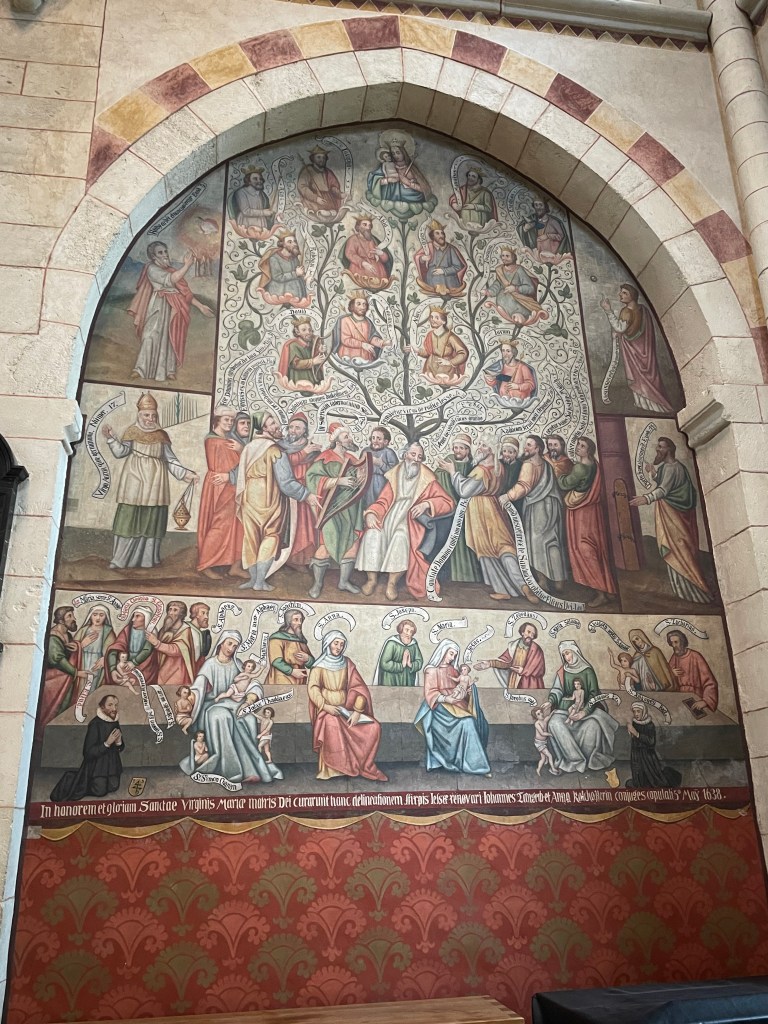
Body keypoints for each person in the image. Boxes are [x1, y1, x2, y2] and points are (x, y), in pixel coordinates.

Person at [102, 391, 198, 570]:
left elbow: (170, 460)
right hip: (134, 479)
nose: (150, 419)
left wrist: (185, 474)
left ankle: (147, 560)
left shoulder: (161, 435)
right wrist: (111, 439)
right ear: (139, 415)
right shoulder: (131, 431)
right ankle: (120, 560)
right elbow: (121, 452)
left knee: (152, 518)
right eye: (146, 415)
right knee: (128, 517)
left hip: (156, 482)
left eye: (153, 415)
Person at [180, 630, 283, 785]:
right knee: (221, 716)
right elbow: (197, 689)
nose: (231, 648)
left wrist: (249, 701)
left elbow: (253, 684)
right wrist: (188, 701)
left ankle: (251, 770)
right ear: (221, 643)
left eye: (235, 646)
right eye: (229, 644)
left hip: (234, 703)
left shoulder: (238, 664)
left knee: (247, 717)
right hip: (212, 705)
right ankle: (232, 769)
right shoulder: (210, 664)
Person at [438, 439, 535, 604]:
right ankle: (512, 588)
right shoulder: (499, 467)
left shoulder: (481, 471)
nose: (480, 448)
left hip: (480, 511)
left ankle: (523, 587)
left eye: (484, 445)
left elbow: (464, 490)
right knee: (500, 548)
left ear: (491, 449)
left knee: (491, 550)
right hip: (494, 508)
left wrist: (452, 471)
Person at [357, 442, 454, 601]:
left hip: (410, 521)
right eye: (413, 454)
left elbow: (448, 502)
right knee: (372, 534)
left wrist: (426, 504)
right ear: (404, 455)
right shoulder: (394, 474)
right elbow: (383, 501)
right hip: (388, 516)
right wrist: (371, 513)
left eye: (419, 456)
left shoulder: (427, 478)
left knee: (400, 538)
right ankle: (371, 579)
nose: (416, 459)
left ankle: (392, 583)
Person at [235, 411, 320, 592]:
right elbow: (286, 482)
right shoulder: (274, 450)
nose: (277, 426)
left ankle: (253, 580)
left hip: (249, 499)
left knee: (251, 538)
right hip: (269, 498)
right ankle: (260, 581)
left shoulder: (250, 447)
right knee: (271, 536)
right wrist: (306, 495)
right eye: (272, 423)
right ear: (263, 428)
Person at [629, 436, 713, 604]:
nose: (657, 449)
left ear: (669, 449)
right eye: (658, 446)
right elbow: (666, 483)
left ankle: (694, 590)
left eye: (661, 447)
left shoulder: (672, 468)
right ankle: (684, 590)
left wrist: (646, 498)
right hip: (672, 515)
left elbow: (664, 490)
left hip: (675, 517)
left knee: (678, 550)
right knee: (678, 549)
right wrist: (653, 473)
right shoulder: (671, 467)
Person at [128, 241, 215, 382]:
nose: (165, 255)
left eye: (165, 251)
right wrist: (187, 265)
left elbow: (185, 293)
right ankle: (140, 369)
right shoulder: (152, 268)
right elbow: (170, 280)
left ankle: (168, 370)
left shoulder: (172, 270)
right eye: (160, 252)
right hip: (158, 304)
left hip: (174, 306)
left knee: (170, 336)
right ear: (153, 256)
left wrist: (201, 306)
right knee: (150, 335)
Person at [307, 630, 387, 781]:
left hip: (346, 710)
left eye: (341, 644)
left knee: (374, 726)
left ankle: (362, 764)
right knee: (332, 723)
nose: (338, 647)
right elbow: (313, 689)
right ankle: (334, 769)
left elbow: (359, 688)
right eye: (336, 643)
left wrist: (357, 711)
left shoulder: (347, 663)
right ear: (328, 644)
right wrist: (325, 706)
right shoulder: (318, 666)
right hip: (327, 710)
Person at [306, 422, 367, 598]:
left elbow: (360, 476)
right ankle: (317, 584)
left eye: (349, 436)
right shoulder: (325, 457)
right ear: (337, 440)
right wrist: (337, 481)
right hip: (331, 509)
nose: (349, 439)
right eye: (346, 436)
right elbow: (312, 479)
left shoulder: (351, 458)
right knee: (326, 544)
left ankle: (344, 582)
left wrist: (361, 474)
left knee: (352, 543)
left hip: (351, 508)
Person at [502, 434, 569, 593]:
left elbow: (523, 486)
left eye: (529, 445)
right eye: (526, 445)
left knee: (536, 543)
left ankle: (542, 580)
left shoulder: (529, 464)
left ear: (538, 448)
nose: (525, 448)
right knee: (552, 542)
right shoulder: (546, 464)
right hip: (552, 507)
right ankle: (559, 581)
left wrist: (507, 496)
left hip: (538, 507)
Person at [413, 639, 491, 776]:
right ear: (443, 651)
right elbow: (430, 693)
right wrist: (447, 699)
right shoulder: (431, 670)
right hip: (439, 710)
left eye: (455, 655)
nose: (453, 657)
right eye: (451, 653)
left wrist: (469, 692)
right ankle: (472, 765)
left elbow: (461, 689)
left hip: (456, 706)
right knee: (467, 722)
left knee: (470, 721)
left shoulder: (454, 671)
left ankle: (474, 765)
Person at [544, 641, 619, 776]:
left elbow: (594, 694)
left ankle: (588, 759)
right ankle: (576, 760)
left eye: (568, 653)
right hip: (565, 710)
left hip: (587, 710)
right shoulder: (562, 671)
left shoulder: (588, 671)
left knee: (593, 725)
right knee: (554, 723)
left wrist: (584, 712)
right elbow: (557, 690)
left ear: (575, 652)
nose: (566, 657)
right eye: (563, 655)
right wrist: (550, 701)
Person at [557, 436, 617, 608]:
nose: (578, 448)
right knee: (597, 549)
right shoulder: (595, 465)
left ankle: (600, 593)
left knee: (585, 550)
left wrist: (559, 474)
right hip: (593, 512)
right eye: (578, 444)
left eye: (582, 446)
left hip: (581, 512)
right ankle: (608, 589)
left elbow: (565, 484)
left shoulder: (580, 468)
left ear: (589, 450)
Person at [600, 285, 673, 414]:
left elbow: (620, 328)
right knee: (647, 378)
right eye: (621, 292)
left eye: (624, 293)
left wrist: (608, 310)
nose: (620, 295)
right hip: (645, 352)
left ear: (632, 296)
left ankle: (644, 404)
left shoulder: (626, 311)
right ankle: (653, 405)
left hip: (633, 352)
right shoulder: (643, 310)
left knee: (638, 376)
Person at [197, 406, 247, 580]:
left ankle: (235, 566)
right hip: (221, 487)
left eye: (232, 420)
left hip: (231, 486)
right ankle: (205, 564)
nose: (229, 423)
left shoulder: (228, 439)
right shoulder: (215, 441)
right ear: (217, 420)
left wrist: (241, 450)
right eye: (226, 419)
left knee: (238, 526)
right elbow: (229, 467)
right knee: (219, 527)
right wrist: (241, 451)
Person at [50, 695, 124, 802]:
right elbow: (88, 753)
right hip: (97, 766)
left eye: (116, 705)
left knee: (114, 787)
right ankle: (81, 780)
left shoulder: (114, 722)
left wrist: (118, 742)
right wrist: (107, 744)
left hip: (112, 765)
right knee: (100, 791)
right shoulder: (95, 724)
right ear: (102, 707)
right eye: (110, 705)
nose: (114, 708)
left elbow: (120, 748)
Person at [433, 432, 481, 584]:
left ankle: (468, 576)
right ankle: (447, 577)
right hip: (450, 509)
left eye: (461, 448)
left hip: (469, 509)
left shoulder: (473, 465)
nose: (457, 451)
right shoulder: (449, 460)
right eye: (455, 447)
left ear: (467, 450)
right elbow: (438, 479)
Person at [279, 412, 321, 568]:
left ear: (304, 431)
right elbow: (283, 463)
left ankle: (306, 559)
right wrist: (305, 452)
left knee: (308, 526)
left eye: (297, 428)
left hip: (308, 490)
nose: (293, 430)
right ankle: (291, 559)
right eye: (291, 427)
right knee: (292, 526)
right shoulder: (281, 446)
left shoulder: (311, 447)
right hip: (289, 491)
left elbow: (318, 467)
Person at [40, 606, 87, 730]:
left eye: (73, 615)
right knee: (54, 709)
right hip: (54, 680)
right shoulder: (54, 636)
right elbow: (56, 658)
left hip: (65, 680)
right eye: (69, 616)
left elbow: (66, 653)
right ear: (61, 620)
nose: (74, 618)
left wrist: (75, 647)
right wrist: (76, 672)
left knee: (63, 706)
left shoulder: (67, 635)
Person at [626, 702, 682, 789]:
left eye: (638, 711)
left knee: (650, 775)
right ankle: (639, 782)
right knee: (637, 770)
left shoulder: (649, 725)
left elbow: (651, 742)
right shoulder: (635, 723)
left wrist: (637, 734)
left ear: (643, 712)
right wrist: (629, 726)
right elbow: (632, 732)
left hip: (647, 755)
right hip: (636, 752)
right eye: (634, 711)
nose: (636, 714)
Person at [367, 133, 433, 206]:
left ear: (403, 152)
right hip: (391, 198)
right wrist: (387, 180)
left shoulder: (412, 168)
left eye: (398, 153)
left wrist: (409, 183)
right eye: (393, 153)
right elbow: (374, 179)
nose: (395, 156)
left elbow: (424, 189)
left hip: (411, 198)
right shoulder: (388, 165)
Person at [476, 622, 546, 689]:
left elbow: (540, 669)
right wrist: (490, 663)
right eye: (528, 632)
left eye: (533, 634)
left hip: (530, 683)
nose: (530, 636)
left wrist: (523, 671)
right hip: (514, 681)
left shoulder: (537, 650)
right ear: (522, 632)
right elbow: (505, 662)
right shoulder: (513, 646)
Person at [410, 307, 469, 386]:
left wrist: (450, 362)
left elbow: (463, 353)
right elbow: (429, 353)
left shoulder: (450, 336)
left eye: (436, 318)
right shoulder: (430, 335)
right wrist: (417, 350)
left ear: (443, 321)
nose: (432, 320)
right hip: (430, 369)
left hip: (447, 371)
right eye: (431, 317)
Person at [483, 248, 543, 324]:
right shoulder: (500, 270)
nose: (504, 258)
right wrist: (488, 291)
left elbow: (530, 288)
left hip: (520, 305)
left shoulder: (519, 270)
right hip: (503, 309)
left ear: (513, 257)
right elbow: (497, 284)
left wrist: (515, 288)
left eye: (507, 256)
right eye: (503, 256)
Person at [147, 599, 197, 688]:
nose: (170, 613)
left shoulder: (185, 630)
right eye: (170, 609)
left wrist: (157, 643)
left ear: (181, 614)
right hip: (163, 668)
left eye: (175, 610)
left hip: (177, 669)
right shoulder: (165, 629)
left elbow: (178, 649)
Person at [666, 630, 719, 711]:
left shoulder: (696, 656)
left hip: (696, 698)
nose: (673, 645)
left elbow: (710, 682)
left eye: (676, 642)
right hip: (680, 699)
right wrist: (671, 674)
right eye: (671, 643)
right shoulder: (674, 658)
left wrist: (705, 701)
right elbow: (668, 683)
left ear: (682, 642)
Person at [105, 608, 159, 686]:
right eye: (133, 616)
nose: (133, 619)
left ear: (146, 618)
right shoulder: (127, 630)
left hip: (145, 668)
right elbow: (115, 648)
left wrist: (134, 662)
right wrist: (112, 669)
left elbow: (147, 650)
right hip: (126, 667)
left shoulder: (151, 632)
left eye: (137, 616)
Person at [414, 221, 467, 296]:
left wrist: (444, 271)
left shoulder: (451, 249)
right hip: (432, 280)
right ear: (432, 236)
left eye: (442, 233)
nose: (441, 235)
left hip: (450, 281)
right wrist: (422, 258)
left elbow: (458, 266)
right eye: (437, 233)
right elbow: (417, 257)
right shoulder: (428, 247)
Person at [331, 293, 386, 363]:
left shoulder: (368, 322)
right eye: (359, 304)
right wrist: (362, 344)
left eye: (364, 304)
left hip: (366, 357)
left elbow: (371, 338)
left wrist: (381, 342)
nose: (362, 307)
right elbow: (346, 340)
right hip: (349, 356)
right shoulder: (345, 320)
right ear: (352, 306)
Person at [277, 316, 327, 392]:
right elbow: (296, 363)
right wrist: (313, 361)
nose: (308, 332)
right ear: (297, 332)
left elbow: (316, 358)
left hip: (313, 381)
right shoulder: (293, 345)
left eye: (310, 330)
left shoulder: (312, 344)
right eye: (304, 330)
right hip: (299, 380)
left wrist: (320, 351)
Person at [267, 609, 315, 686]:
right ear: (288, 621)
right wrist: (292, 671)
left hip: (300, 680)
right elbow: (276, 661)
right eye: (296, 620)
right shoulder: (277, 638)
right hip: (281, 679)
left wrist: (308, 659)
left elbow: (312, 663)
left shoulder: (301, 640)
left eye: (301, 620)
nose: (299, 623)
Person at [73, 605, 116, 690]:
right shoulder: (83, 630)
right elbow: (72, 649)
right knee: (80, 688)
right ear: (90, 616)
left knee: (95, 688)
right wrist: (81, 645)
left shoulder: (108, 631)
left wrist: (105, 659)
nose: (98, 618)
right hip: (82, 663)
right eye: (95, 614)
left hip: (98, 665)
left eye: (101, 615)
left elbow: (113, 650)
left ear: (106, 617)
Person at [342, 216, 392, 289]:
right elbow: (350, 254)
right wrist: (363, 263)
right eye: (364, 225)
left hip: (379, 273)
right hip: (360, 270)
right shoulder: (353, 239)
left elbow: (385, 260)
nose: (368, 227)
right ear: (358, 227)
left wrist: (381, 253)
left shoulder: (373, 240)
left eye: (369, 225)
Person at [258, 231, 306, 302]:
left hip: (297, 294)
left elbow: (299, 273)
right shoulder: (274, 258)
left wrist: (304, 276)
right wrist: (295, 274)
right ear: (283, 244)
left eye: (295, 241)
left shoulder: (294, 258)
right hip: (280, 293)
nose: (294, 244)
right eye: (290, 242)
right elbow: (277, 277)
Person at [374, 619, 424, 687]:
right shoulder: (392, 643)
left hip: (408, 679)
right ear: (401, 629)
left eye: (411, 631)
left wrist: (410, 664)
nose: (408, 633)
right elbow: (384, 663)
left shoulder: (413, 645)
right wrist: (401, 665)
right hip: (391, 680)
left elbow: (419, 661)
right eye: (406, 630)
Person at [297, 145, 343, 219]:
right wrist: (316, 198)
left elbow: (333, 186)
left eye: (324, 158)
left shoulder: (328, 172)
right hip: (313, 200)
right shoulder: (307, 171)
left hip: (328, 200)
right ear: (313, 158)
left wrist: (339, 194)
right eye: (318, 157)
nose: (322, 159)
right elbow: (302, 187)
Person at [361, 426, 399, 509]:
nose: (375, 441)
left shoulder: (389, 453)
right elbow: (360, 467)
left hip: (382, 483)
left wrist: (381, 464)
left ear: (385, 441)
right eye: (373, 438)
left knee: (379, 505)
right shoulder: (366, 451)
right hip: (366, 483)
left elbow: (395, 473)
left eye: (379, 439)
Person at [449, 166, 497, 230]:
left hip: (479, 223)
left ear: (479, 180)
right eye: (469, 175)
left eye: (473, 176)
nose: (470, 178)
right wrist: (454, 204)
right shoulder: (463, 189)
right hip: (464, 222)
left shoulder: (485, 193)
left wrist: (473, 206)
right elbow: (454, 198)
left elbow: (488, 208)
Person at [231, 166, 275, 235]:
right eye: (255, 179)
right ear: (248, 181)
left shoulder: (262, 194)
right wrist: (264, 212)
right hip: (246, 222)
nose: (259, 181)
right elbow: (246, 211)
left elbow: (267, 209)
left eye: (260, 179)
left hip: (261, 223)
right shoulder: (241, 192)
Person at [532, 705, 559, 776]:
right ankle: (553, 768)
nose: (541, 714)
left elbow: (549, 716)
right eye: (538, 714)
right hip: (539, 743)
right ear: (536, 717)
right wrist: (550, 734)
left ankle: (538, 769)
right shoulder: (537, 723)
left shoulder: (545, 720)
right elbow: (542, 733)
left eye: (541, 712)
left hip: (543, 743)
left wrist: (553, 712)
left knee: (543, 758)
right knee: (549, 755)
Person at [188, 602, 212, 667]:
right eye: (203, 613)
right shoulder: (186, 629)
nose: (206, 617)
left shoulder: (200, 633)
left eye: (207, 614)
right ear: (195, 614)